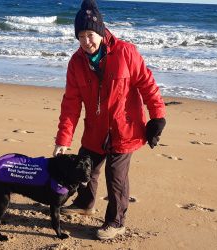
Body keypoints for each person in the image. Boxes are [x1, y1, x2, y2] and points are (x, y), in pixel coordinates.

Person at [53, 0, 166, 240]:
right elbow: (71, 105)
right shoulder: (76, 63)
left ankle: (116, 221)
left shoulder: (126, 52)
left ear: (101, 33)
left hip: (124, 129)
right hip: (95, 130)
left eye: (91, 34)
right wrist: (63, 139)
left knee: (116, 177)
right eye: (81, 36)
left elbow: (148, 85)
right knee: (85, 169)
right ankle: (85, 203)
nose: (86, 41)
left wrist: (158, 117)